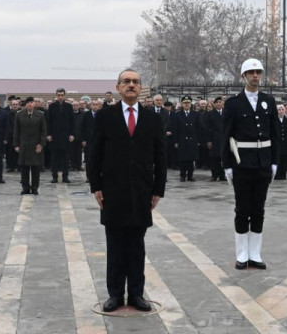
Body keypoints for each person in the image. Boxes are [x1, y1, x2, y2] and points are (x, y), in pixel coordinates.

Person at [87, 68, 166, 311]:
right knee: (115, 244)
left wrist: (158, 189)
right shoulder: (105, 117)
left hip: (142, 191)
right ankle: (114, 294)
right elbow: (94, 154)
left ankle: (136, 294)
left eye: (135, 82)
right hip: (113, 190)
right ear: (119, 87)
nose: (131, 85)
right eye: (126, 81)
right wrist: (96, 186)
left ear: (141, 88)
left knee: (136, 245)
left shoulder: (152, 118)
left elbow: (161, 156)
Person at [222, 58, 280, 269]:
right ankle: (242, 254)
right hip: (242, 164)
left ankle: (255, 253)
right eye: (251, 72)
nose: (256, 76)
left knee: (258, 209)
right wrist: (227, 165)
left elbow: (275, 134)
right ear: (243, 76)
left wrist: (274, 161)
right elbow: (225, 136)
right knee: (242, 209)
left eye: (258, 72)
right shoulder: (233, 104)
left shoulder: (269, 101)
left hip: (263, 163)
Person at [13, 96, 46, 195]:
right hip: (24, 145)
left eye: (32, 102)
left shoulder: (40, 115)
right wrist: (16, 145)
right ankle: (25, 188)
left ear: (34, 104)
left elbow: (44, 131)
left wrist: (41, 144)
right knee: (24, 169)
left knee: (36, 169)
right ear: (25, 104)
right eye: (28, 102)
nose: (30, 104)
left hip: (36, 146)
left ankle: (35, 188)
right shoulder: (19, 115)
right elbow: (16, 131)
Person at [45, 88, 75, 183]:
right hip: (55, 136)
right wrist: (48, 134)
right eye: (59, 95)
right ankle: (54, 176)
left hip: (66, 136)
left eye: (62, 95)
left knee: (65, 158)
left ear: (64, 96)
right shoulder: (52, 106)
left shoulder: (69, 106)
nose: (60, 97)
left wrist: (72, 134)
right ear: (56, 96)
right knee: (54, 158)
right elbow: (49, 122)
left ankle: (65, 176)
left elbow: (72, 122)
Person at [169, 95, 201, 182]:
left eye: (188, 103)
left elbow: (199, 128)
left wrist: (198, 141)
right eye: (185, 103)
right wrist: (175, 141)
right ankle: (182, 175)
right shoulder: (177, 114)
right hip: (182, 140)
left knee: (191, 159)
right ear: (182, 104)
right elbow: (175, 129)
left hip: (192, 139)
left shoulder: (196, 114)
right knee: (182, 159)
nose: (186, 104)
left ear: (191, 104)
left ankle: (190, 175)